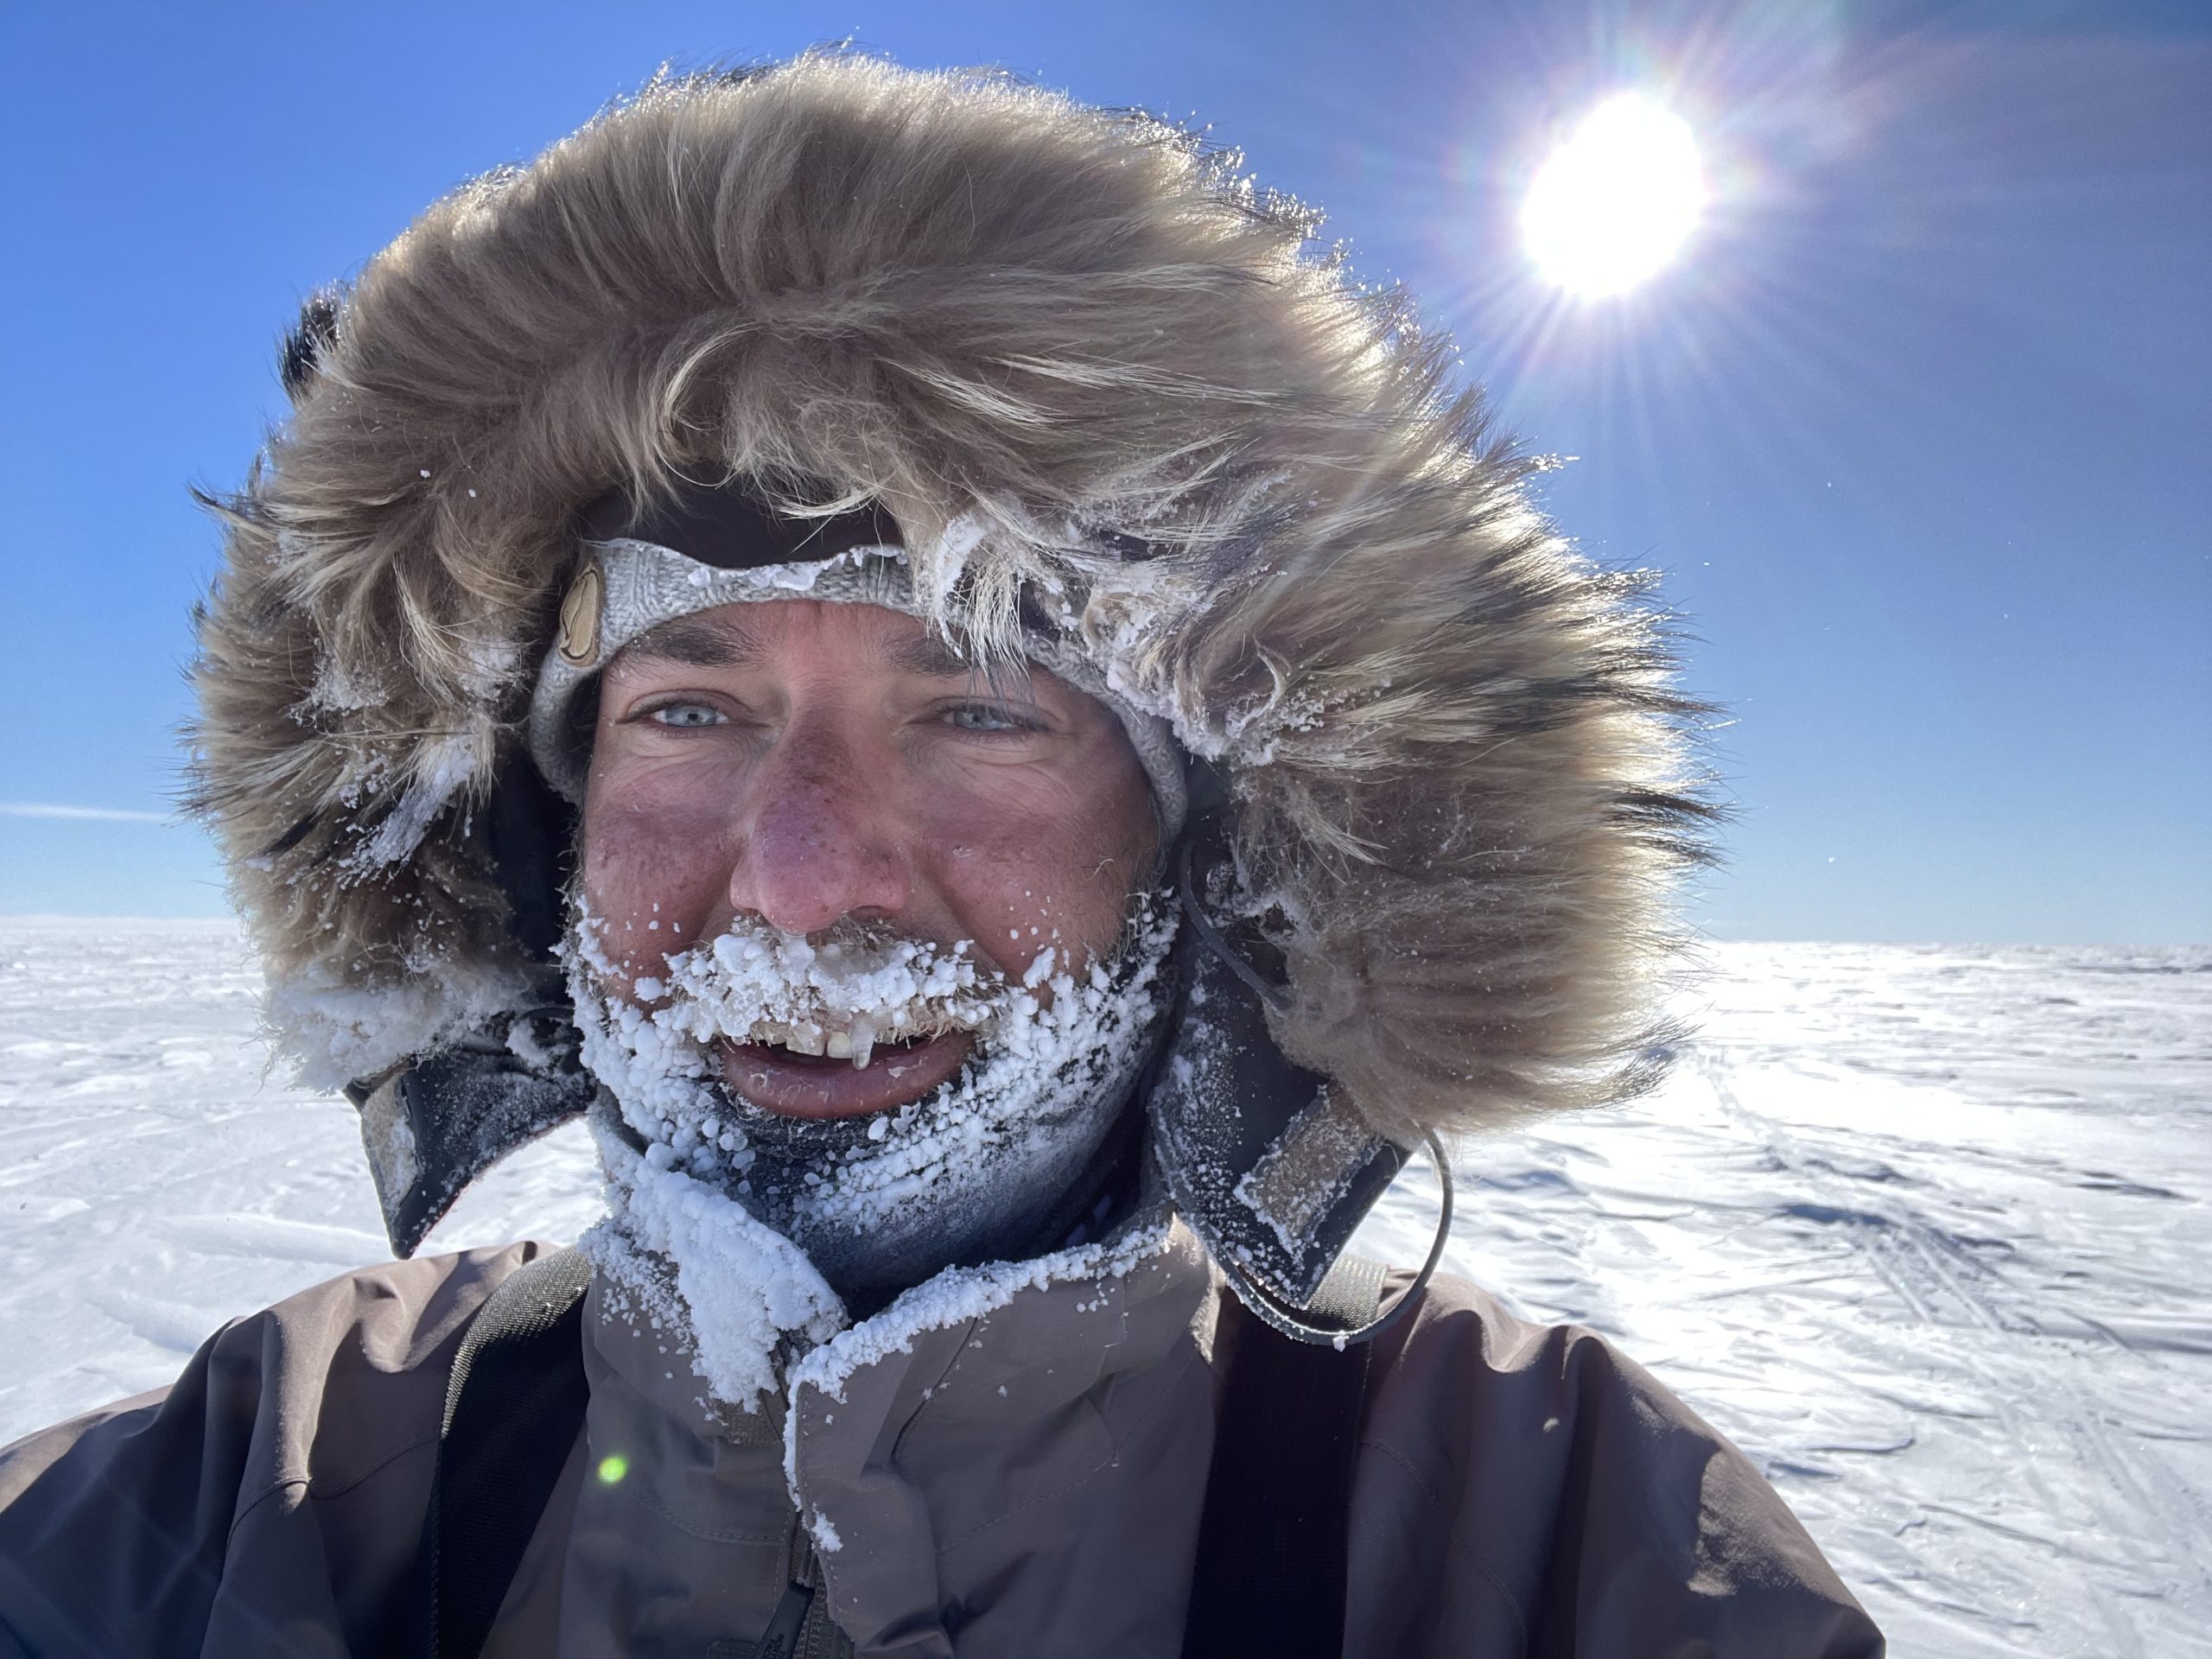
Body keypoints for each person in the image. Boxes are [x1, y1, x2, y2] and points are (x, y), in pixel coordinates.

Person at [0, 53, 1883, 1658]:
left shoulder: (1540, 1532)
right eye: (685, 712)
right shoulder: (299, 1467)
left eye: (979, 709)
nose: (804, 887)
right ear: (536, 833)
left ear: (1206, 846)